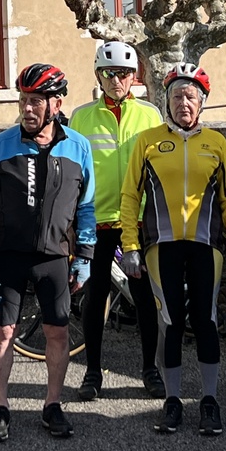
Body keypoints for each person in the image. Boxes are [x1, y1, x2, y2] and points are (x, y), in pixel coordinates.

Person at [119, 65, 226, 436]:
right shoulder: (147, 141)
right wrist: (130, 246)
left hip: (206, 245)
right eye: (176, 96)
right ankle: (173, 400)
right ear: (166, 101)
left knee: (206, 320)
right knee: (171, 321)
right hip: (161, 247)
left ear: (202, 102)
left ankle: (209, 400)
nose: (183, 103)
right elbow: (130, 196)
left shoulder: (216, 143)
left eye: (191, 96)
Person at [0, 64, 97, 442]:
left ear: (56, 104)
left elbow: (86, 206)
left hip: (54, 257)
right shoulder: (0, 146)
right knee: (3, 332)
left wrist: (85, 255)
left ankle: (52, 405)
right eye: (23, 100)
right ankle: (0, 407)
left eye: (36, 101)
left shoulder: (78, 147)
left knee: (57, 332)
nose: (27, 108)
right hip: (9, 254)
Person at [67, 40, 163, 400]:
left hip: (138, 219)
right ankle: (92, 372)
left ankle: (150, 370)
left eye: (123, 73)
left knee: (144, 297)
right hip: (97, 219)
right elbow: (73, 171)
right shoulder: (81, 116)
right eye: (109, 73)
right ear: (98, 75)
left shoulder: (150, 114)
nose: (116, 80)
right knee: (95, 298)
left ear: (133, 76)